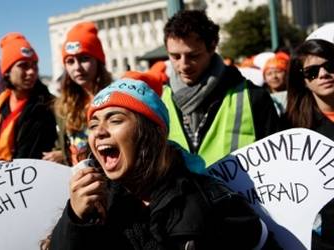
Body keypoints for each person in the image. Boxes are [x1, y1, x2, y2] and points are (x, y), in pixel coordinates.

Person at [48, 77, 280, 250]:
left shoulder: (213, 202)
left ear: (152, 132)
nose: (99, 132)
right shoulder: (93, 204)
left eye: (115, 120)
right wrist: (75, 220)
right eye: (94, 124)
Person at [162, 10, 281, 167]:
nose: (183, 65)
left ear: (212, 47)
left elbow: (278, 163)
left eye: (193, 56)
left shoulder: (254, 97)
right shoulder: (161, 98)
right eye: (175, 56)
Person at [285, 39, 334, 249]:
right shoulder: (291, 128)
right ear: (303, 80)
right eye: (312, 71)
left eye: (331, 66)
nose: (323, 74)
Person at [42, 21, 112, 166]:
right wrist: (62, 152)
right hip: (77, 180)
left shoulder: (116, 98)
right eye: (70, 61)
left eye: (84, 59)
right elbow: (67, 142)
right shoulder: (63, 104)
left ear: (98, 61)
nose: (77, 67)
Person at [0, 32, 57, 161]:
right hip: (6, 176)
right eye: (23, 66)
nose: (31, 72)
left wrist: (62, 155)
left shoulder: (50, 104)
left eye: (34, 65)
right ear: (7, 72)